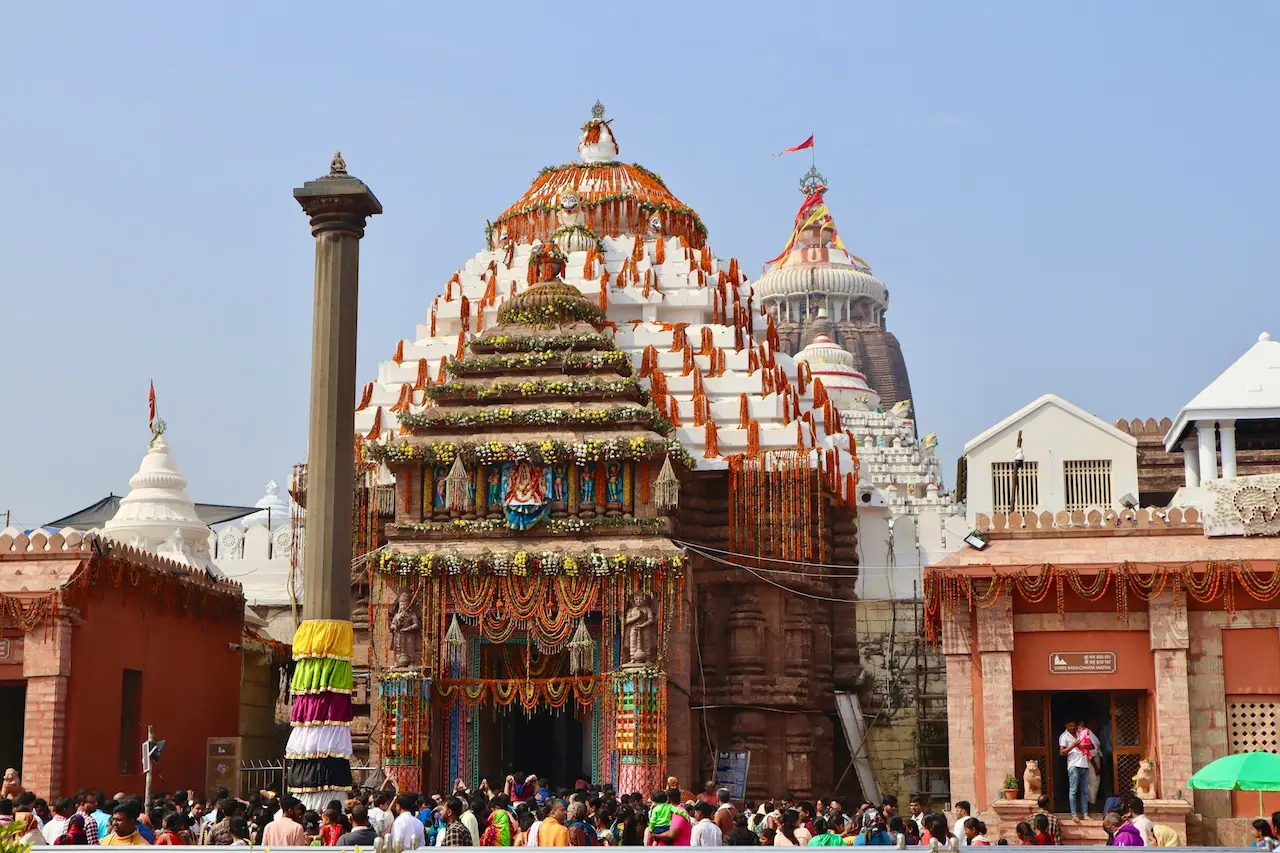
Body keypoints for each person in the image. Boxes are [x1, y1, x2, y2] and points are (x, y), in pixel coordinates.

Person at [1059, 720, 1091, 820]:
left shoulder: (1080, 733)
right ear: (1066, 725)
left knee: (1085, 791)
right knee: (1073, 790)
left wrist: (1083, 746)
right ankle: (1074, 814)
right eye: (1070, 726)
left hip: (1084, 765)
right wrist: (1073, 745)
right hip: (1073, 766)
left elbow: (1091, 746)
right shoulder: (1064, 736)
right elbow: (1062, 752)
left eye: (1073, 725)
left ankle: (1085, 814)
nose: (1072, 727)